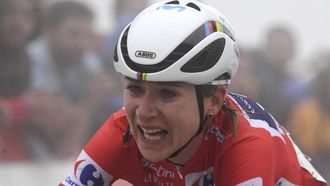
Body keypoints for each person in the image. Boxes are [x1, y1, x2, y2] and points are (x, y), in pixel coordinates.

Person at [59, 1, 327, 185]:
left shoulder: (248, 144)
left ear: (214, 99)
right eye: (135, 89)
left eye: (167, 94)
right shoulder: (122, 131)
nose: (144, 112)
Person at [26, 1, 110, 160]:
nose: (81, 44)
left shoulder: (88, 63)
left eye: (87, 36)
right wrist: (88, 104)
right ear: (49, 31)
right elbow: (55, 127)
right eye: (73, 34)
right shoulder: (30, 62)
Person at [0, 0, 41, 161]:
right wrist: (25, 107)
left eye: (26, 16)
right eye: (10, 12)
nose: (18, 22)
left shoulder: (25, 59)